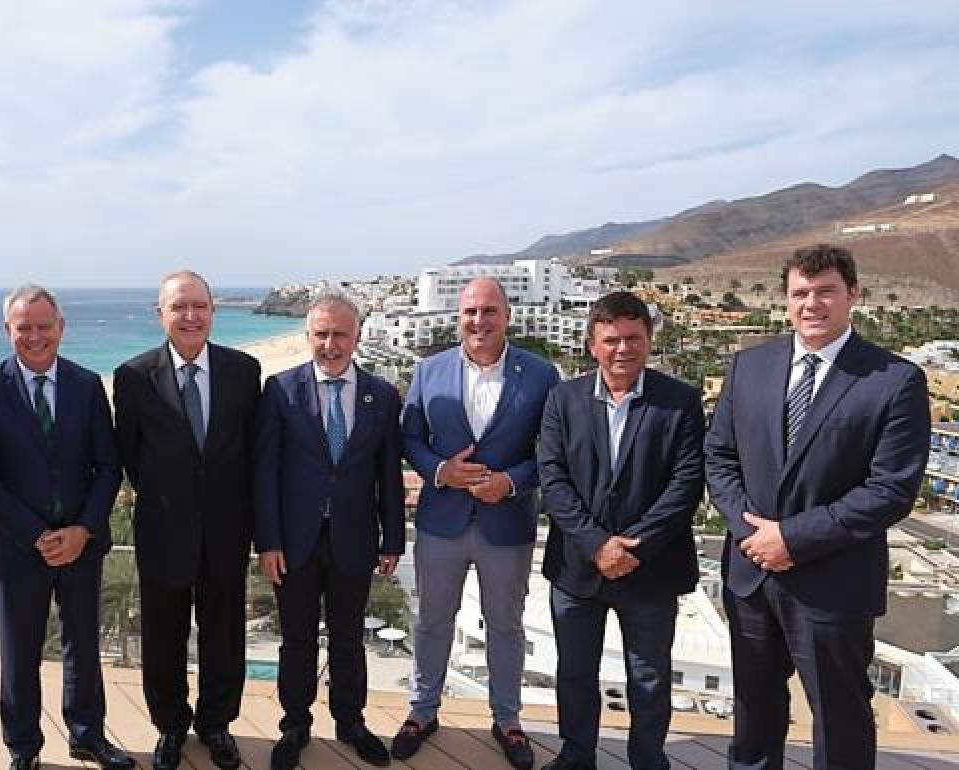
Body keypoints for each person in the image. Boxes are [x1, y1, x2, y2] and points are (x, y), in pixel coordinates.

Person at [706, 244, 931, 770]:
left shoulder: (893, 381)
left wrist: (792, 538)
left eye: (825, 290)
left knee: (840, 718)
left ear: (853, 294)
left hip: (833, 584)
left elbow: (890, 490)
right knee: (754, 713)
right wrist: (750, 533)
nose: (812, 303)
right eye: (800, 293)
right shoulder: (749, 367)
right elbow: (718, 457)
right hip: (752, 576)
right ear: (785, 301)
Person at [0, 285, 133, 770]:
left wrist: (82, 529)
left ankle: (87, 736)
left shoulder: (85, 385)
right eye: (24, 328)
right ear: (8, 331)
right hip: (18, 549)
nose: (35, 336)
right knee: (19, 657)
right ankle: (23, 749)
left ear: (61, 327)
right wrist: (38, 535)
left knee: (84, 645)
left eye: (44, 326)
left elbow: (108, 466)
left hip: (82, 545)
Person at [395, 277, 559, 770]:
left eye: (489, 311)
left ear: (507, 316)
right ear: (458, 317)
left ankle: (507, 720)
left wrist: (509, 482)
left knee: (506, 626)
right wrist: (441, 471)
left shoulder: (541, 374)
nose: (479, 321)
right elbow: (410, 437)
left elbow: (550, 452)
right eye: (470, 312)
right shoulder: (428, 371)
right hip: (441, 522)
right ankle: (422, 712)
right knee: (431, 622)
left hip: (506, 524)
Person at [537, 291, 704, 770]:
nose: (623, 349)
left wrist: (634, 546)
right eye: (612, 340)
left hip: (650, 568)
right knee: (574, 672)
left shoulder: (680, 402)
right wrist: (595, 544)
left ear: (649, 341)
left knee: (649, 678)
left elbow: (686, 483)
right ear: (593, 344)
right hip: (577, 568)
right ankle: (576, 755)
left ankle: (649, 761)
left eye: (634, 338)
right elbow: (553, 478)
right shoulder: (562, 400)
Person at [113, 270, 261, 770]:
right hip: (163, 530)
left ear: (213, 311)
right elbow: (130, 454)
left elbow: (252, 452)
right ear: (162, 315)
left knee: (224, 635)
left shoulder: (244, 371)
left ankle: (217, 725)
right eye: (179, 307)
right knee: (163, 638)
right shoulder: (133, 376)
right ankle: (171, 727)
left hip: (226, 530)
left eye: (199, 305)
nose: (191, 315)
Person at [253, 292, 405, 770]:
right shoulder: (279, 390)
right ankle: (293, 726)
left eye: (340, 334)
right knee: (295, 639)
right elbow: (265, 472)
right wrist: (268, 542)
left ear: (356, 335)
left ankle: (351, 722)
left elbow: (388, 475)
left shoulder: (381, 396)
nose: (331, 344)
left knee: (348, 638)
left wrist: (393, 539)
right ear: (308, 336)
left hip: (355, 538)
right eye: (321, 334)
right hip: (294, 540)